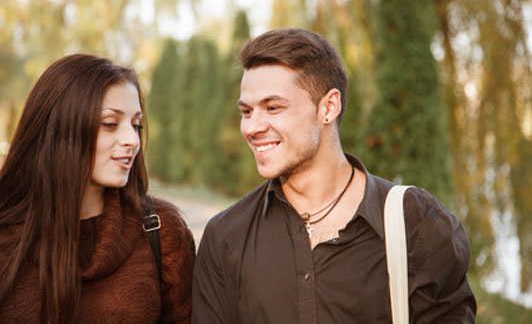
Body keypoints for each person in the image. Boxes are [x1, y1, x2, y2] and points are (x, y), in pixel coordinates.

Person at [192, 28, 476, 323]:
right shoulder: (224, 238)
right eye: (247, 111)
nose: (251, 128)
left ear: (329, 107)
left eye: (273, 107)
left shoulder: (416, 225)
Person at [0, 54, 195, 323]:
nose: (132, 140)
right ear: (60, 128)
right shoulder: (6, 235)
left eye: (136, 125)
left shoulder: (162, 232)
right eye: (110, 124)